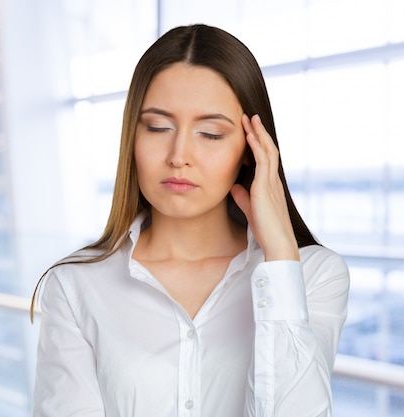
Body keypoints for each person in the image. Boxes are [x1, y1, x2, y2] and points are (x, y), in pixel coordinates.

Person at [31, 23, 350, 417]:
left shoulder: (314, 274)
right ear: (132, 137)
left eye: (211, 134)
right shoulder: (76, 286)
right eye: (158, 127)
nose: (179, 154)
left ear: (252, 149)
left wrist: (281, 256)